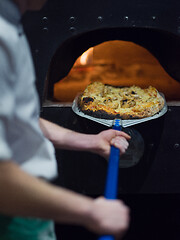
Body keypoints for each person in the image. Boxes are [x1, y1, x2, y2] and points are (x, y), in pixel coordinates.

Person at [0, 0, 131, 239]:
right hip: (11, 219)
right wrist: (91, 211)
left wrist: (91, 141)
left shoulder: (9, 24)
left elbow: (18, 123)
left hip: (28, 208)